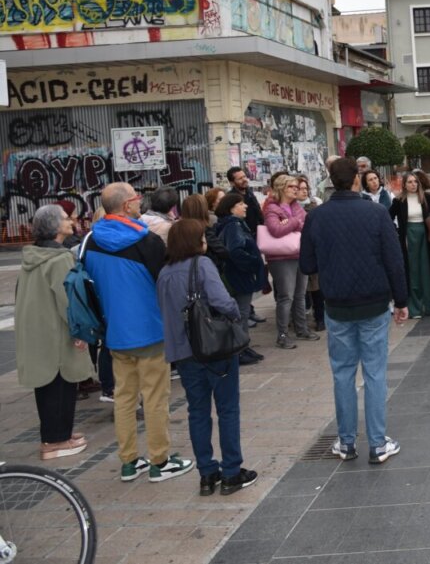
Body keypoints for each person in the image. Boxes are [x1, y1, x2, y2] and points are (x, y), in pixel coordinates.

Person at [300, 157, 408, 465]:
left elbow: (307, 265)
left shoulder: (317, 217)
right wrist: (401, 301)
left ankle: (346, 442)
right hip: (374, 302)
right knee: (375, 373)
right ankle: (377, 442)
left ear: (331, 181)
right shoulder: (375, 213)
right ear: (357, 180)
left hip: (337, 304)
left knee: (343, 374)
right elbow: (394, 260)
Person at [85, 182, 194, 483]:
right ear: (126, 206)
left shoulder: (90, 241)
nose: (140, 202)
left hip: (115, 332)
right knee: (156, 398)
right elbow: (166, 283)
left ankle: (129, 461)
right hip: (150, 329)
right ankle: (160, 460)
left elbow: (89, 285)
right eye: (136, 198)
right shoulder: (146, 241)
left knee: (124, 398)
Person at [156, 219, 257, 496]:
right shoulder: (201, 264)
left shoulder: (164, 272)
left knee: (197, 411)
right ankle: (232, 471)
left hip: (183, 352)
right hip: (213, 347)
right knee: (227, 409)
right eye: (202, 236)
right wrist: (237, 315)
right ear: (194, 240)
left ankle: (207, 472)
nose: (206, 240)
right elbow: (223, 301)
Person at [16, 204, 94, 460]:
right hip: (57, 332)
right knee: (62, 382)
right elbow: (67, 299)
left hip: (38, 330)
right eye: (64, 218)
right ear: (54, 226)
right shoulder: (60, 259)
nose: (70, 220)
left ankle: (57, 435)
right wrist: (80, 330)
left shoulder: (33, 255)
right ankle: (56, 441)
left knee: (48, 385)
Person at [263, 175, 318, 349]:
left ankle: (301, 329)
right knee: (286, 296)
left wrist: (290, 223)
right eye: (291, 186)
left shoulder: (295, 206)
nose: (296, 189)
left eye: (296, 186)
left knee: (300, 294)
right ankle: (282, 334)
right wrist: (295, 222)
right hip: (281, 258)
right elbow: (276, 230)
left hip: (299, 254)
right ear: (281, 188)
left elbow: (307, 225)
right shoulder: (272, 208)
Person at [213, 193, 267, 365]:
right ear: (231, 208)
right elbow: (236, 251)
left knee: (240, 312)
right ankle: (240, 349)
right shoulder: (234, 225)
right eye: (241, 204)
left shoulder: (230, 224)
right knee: (241, 313)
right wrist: (253, 264)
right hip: (240, 277)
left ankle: (244, 346)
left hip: (235, 275)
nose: (245, 206)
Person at [390, 172, 430, 319]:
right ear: (404, 184)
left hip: (426, 236)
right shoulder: (399, 201)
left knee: (427, 270)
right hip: (408, 237)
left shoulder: (426, 198)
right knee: (412, 271)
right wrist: (396, 233)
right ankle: (415, 308)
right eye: (410, 182)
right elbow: (388, 217)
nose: (413, 184)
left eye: (415, 182)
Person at [296, 175, 326, 331]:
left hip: (313, 248)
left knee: (316, 287)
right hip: (294, 249)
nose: (303, 192)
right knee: (300, 289)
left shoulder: (315, 205)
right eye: (300, 189)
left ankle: (320, 318)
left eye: (305, 189)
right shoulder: (290, 207)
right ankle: (299, 320)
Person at [227, 167, 265, 232]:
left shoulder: (249, 192)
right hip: (244, 234)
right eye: (240, 178)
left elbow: (258, 212)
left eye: (244, 176)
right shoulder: (231, 198)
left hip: (257, 231)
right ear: (232, 183)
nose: (244, 179)